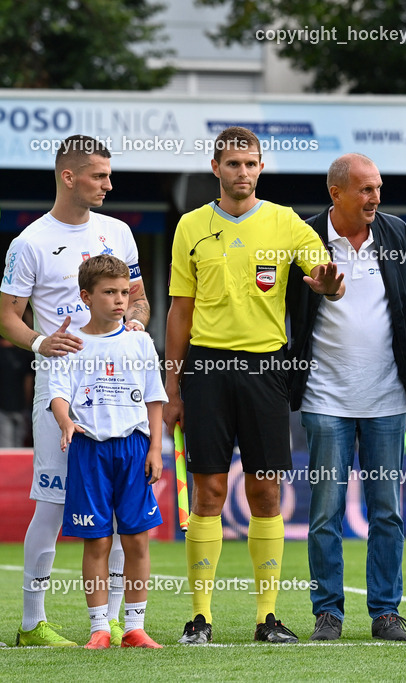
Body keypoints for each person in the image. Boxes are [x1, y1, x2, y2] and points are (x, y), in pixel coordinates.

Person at [164, 126, 343, 645]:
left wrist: (329, 283)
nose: (243, 172)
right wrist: (172, 389)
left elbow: (324, 273)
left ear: (261, 168)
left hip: (266, 370)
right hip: (205, 372)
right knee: (209, 491)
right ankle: (200, 618)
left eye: (251, 164)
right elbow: (180, 310)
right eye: (234, 164)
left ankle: (267, 618)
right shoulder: (190, 226)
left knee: (266, 491)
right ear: (216, 168)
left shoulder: (286, 223)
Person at [0, 135, 150, 647]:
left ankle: (110, 626)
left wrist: (133, 323)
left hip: (118, 391)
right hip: (60, 390)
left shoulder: (120, 234)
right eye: (100, 176)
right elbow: (6, 319)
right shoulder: (31, 242)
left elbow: (141, 302)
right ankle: (31, 623)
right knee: (53, 504)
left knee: (117, 510)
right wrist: (44, 342)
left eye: (109, 174)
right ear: (69, 177)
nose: (109, 184)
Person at [287, 153, 406, 642]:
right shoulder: (304, 238)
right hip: (325, 398)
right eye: (365, 189)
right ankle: (328, 611)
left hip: (388, 399)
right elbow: (281, 309)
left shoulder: (396, 235)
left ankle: (386, 611)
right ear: (336, 193)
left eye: (378, 188)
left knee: (386, 509)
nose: (374, 198)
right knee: (326, 509)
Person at [48, 255, 165, 649]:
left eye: (124, 292)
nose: (120, 300)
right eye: (109, 293)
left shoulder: (139, 340)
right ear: (86, 296)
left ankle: (134, 627)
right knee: (97, 543)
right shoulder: (71, 343)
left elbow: (154, 399)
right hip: (89, 450)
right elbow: (58, 394)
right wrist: (66, 421)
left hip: (133, 448)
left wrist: (155, 450)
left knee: (136, 541)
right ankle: (100, 627)